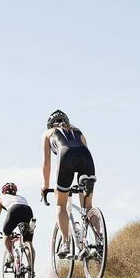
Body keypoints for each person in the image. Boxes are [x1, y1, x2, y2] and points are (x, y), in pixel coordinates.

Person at [40, 110, 96, 258]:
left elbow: (47, 164)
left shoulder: (48, 133)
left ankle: (65, 243)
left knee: (61, 204)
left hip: (66, 157)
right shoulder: (77, 130)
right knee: (88, 206)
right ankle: (99, 240)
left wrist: (45, 186)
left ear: (50, 124)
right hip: (87, 159)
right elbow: (86, 149)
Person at [0, 182, 36, 268]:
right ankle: (31, 267)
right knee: (28, 241)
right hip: (28, 210)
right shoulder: (21, 197)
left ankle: (12, 256)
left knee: (6, 235)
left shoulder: (2, 198)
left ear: (3, 192)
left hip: (14, 210)